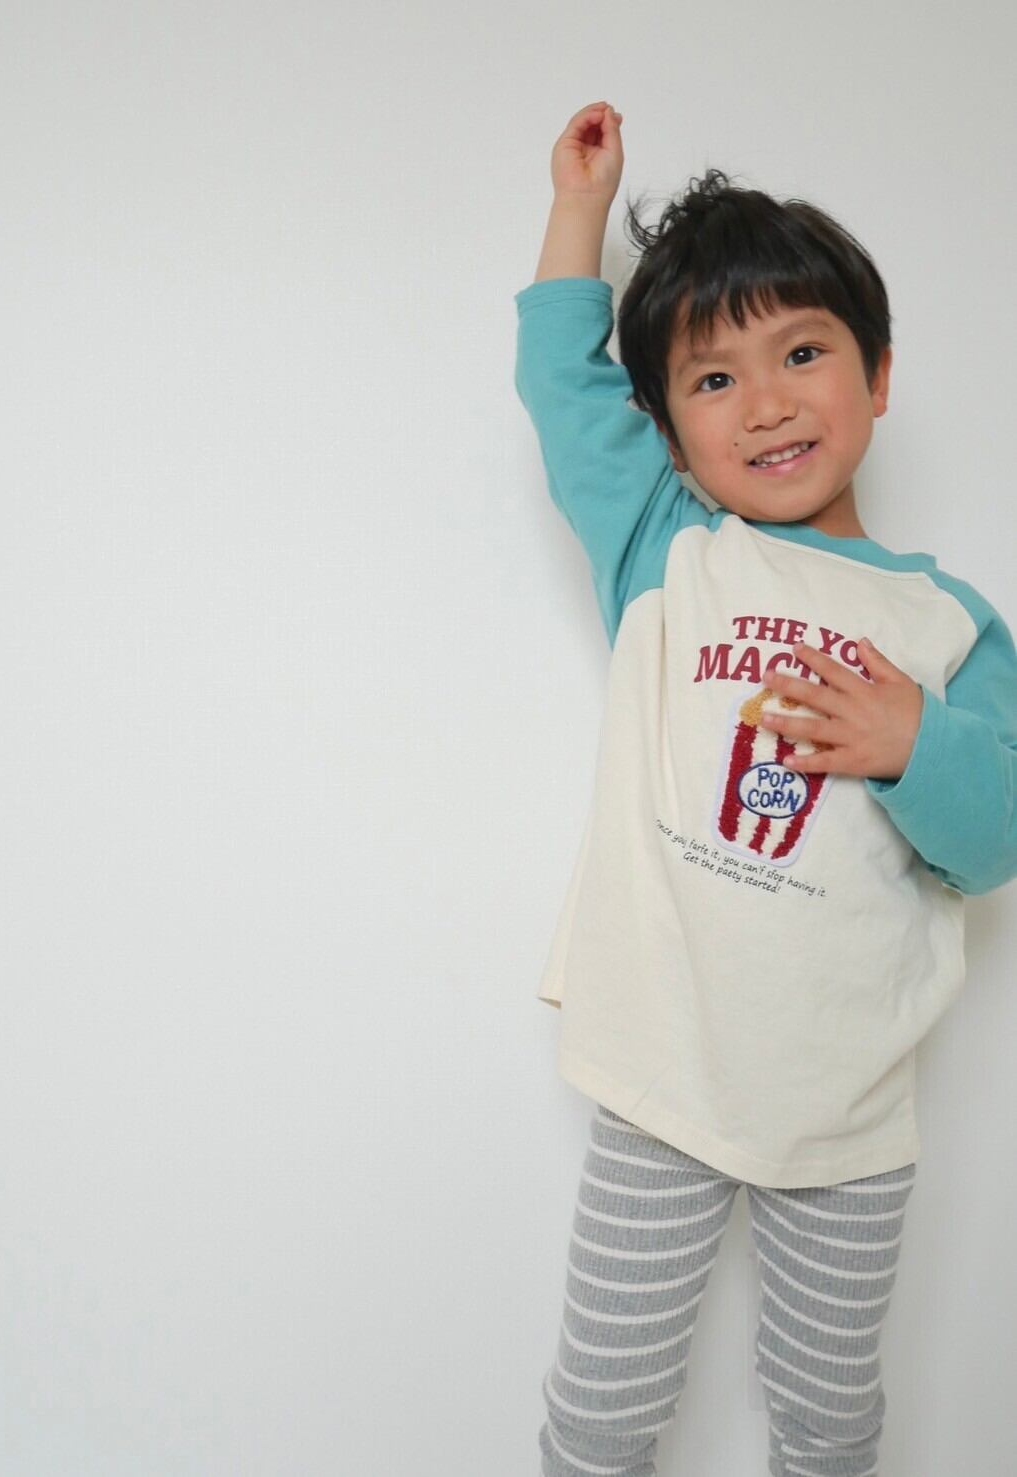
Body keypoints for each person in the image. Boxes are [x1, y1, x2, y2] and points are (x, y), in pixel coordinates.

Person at [513, 101, 1017, 1477]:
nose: (770, 402)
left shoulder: (949, 626)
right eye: (714, 380)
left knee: (830, 1416)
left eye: (802, 353)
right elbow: (562, 391)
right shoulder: (668, 549)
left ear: (879, 374)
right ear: (669, 432)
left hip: (847, 1110)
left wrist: (915, 742)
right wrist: (579, 210)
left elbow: (993, 846)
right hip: (665, 1076)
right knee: (603, 1408)